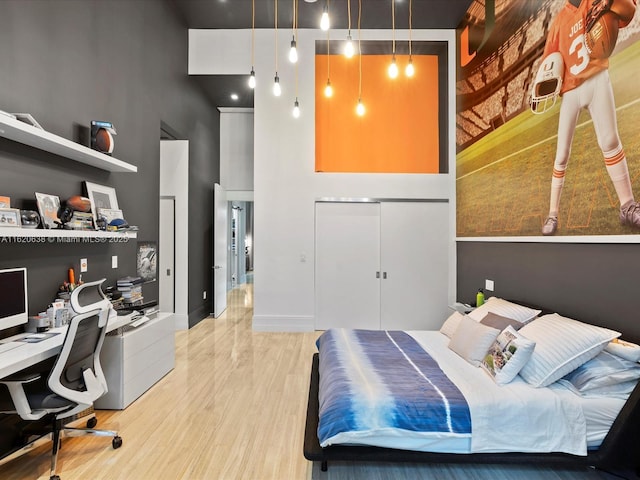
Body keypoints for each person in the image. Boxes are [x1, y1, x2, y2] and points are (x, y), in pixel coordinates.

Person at [533, 0, 638, 235]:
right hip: (570, 90)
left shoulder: (594, 1)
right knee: (561, 155)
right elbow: (548, 61)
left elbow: (629, 11)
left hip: (597, 76)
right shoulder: (559, 21)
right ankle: (552, 213)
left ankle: (627, 205)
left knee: (610, 140)